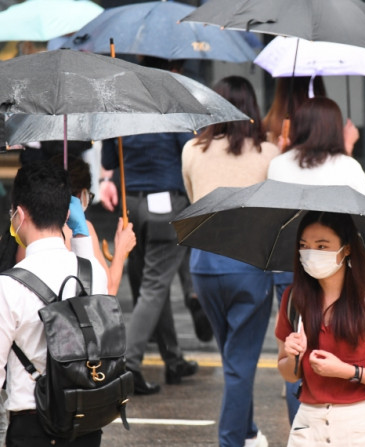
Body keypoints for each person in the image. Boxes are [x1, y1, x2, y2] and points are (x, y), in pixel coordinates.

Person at [182, 76, 279, 447]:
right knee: (239, 363)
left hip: (203, 263)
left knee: (233, 359)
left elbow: (194, 200)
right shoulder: (268, 153)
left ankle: (248, 431)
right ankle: (231, 442)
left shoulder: (192, 149)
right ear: (250, 108)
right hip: (248, 264)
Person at [267, 96, 365, 423]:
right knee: (335, 349)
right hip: (338, 271)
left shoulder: (279, 164)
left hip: (291, 265)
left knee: (295, 350)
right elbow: (364, 217)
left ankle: (305, 421)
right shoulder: (348, 166)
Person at [100, 55, 198, 395]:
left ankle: (173, 358)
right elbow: (189, 155)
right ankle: (130, 362)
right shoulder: (172, 103)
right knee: (155, 288)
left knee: (148, 287)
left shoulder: (122, 107)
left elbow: (109, 161)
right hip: (165, 203)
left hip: (132, 205)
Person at [275, 211, 365, 446]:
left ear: (347, 249)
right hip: (309, 427)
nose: (311, 254)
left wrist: (348, 371)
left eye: (322, 246)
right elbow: (290, 374)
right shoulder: (293, 300)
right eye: (304, 246)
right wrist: (291, 357)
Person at [0, 160, 108, 446]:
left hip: (32, 423)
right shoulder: (93, 273)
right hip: (87, 421)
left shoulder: (8, 286)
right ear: (68, 213)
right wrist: (81, 233)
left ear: (19, 215)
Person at [50, 155, 136, 295]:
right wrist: (121, 248)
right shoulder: (83, 228)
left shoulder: (34, 227)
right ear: (81, 194)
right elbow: (107, 290)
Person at [267, 97, 365, 196]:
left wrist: (283, 153)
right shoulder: (349, 167)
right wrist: (348, 146)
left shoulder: (277, 164)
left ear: (298, 127)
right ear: (335, 129)